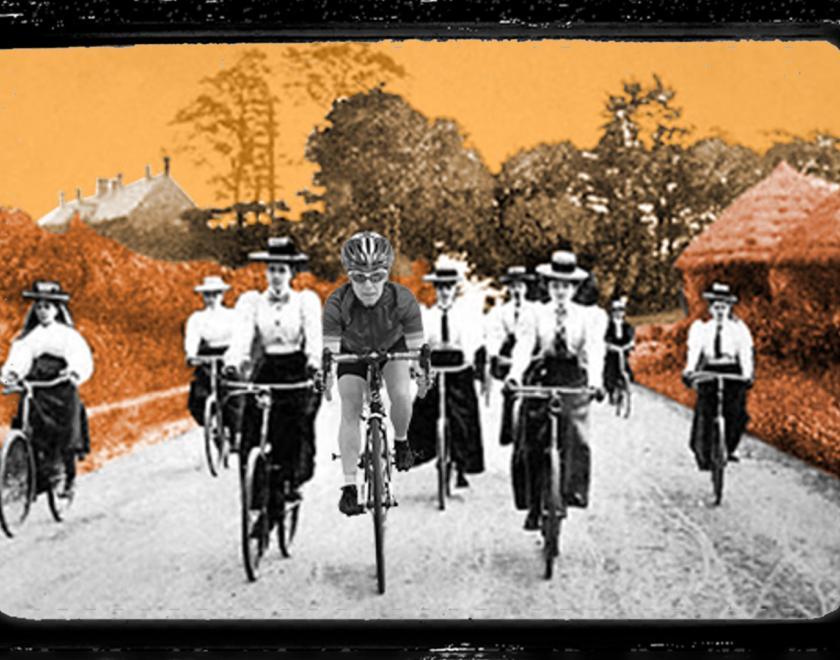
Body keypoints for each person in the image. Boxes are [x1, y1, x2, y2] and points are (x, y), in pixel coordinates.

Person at [322, 230, 429, 516]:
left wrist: (420, 369)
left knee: (401, 395)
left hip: (392, 349)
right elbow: (330, 352)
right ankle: (349, 488)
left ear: (387, 273)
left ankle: (402, 440)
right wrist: (328, 375)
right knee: (350, 407)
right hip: (352, 352)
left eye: (377, 276)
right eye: (359, 277)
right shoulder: (336, 303)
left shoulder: (403, 299)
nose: (368, 285)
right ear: (348, 275)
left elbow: (418, 348)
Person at [505, 250, 606, 530]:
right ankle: (535, 505)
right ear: (548, 286)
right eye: (555, 285)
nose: (560, 291)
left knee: (576, 436)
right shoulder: (535, 313)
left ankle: (570, 494)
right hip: (542, 375)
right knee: (531, 439)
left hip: (572, 377)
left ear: (574, 288)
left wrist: (596, 382)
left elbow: (594, 349)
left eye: (566, 285)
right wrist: (515, 376)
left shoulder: (589, 316)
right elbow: (524, 346)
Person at [224, 237, 323, 507]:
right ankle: (256, 498)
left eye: (282, 270)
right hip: (267, 368)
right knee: (252, 426)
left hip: (297, 370)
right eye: (272, 270)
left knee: (295, 428)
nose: (276, 276)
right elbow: (242, 337)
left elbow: (315, 337)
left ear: (291, 273)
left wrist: (314, 362)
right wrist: (234, 361)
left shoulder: (305, 302)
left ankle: (290, 485)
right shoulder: (253, 302)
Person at [0, 280, 94, 497]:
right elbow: (18, 361)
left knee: (66, 434)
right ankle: (34, 478)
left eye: (48, 307)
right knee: (31, 428)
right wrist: (10, 375)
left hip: (60, 389)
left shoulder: (68, 335)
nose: (43, 312)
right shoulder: (28, 338)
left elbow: (80, 358)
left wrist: (72, 372)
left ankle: (69, 480)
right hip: (37, 389)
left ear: (57, 309)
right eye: (39, 307)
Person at [406, 264, 484, 488]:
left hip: (458, 369)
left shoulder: (464, 315)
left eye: (449, 287)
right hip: (435, 367)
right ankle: (423, 452)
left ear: (455, 289)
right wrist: (415, 364)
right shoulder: (427, 315)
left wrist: (468, 357)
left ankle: (462, 464)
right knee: (423, 409)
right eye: (440, 287)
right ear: (435, 289)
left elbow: (472, 339)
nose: (445, 292)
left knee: (464, 415)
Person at [682, 281, 754, 467]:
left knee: (737, 413)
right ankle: (704, 454)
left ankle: (728, 447)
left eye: (724, 306)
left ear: (729, 308)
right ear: (711, 308)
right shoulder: (702, 328)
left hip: (731, 371)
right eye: (716, 306)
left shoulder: (739, 329)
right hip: (710, 370)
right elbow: (694, 351)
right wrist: (690, 370)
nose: (720, 310)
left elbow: (745, 353)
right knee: (705, 411)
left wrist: (747, 374)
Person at [486, 266, 539, 447]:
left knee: (534, 394)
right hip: (508, 356)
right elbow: (494, 334)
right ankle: (509, 432)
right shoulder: (501, 312)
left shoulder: (535, 310)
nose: (517, 291)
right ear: (509, 289)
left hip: (531, 357)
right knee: (510, 391)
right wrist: (494, 352)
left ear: (526, 288)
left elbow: (536, 337)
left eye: (520, 286)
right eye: (514, 287)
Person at [184, 275, 239, 434]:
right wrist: (191, 354)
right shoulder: (197, 318)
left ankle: (235, 431)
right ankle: (213, 425)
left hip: (229, 355)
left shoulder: (232, 315)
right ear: (203, 297)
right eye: (208, 295)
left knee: (233, 394)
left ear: (222, 295)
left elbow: (239, 337)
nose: (212, 298)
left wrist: (233, 356)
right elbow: (192, 338)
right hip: (207, 356)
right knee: (199, 395)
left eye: (216, 294)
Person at [603, 297, 635, 404]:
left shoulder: (627, 326)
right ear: (612, 313)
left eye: (621, 311)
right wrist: (608, 345)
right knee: (610, 370)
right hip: (612, 351)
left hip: (623, 351)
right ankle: (611, 391)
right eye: (616, 311)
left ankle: (625, 388)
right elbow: (604, 338)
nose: (618, 314)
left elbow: (631, 337)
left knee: (626, 370)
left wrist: (630, 344)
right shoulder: (608, 326)